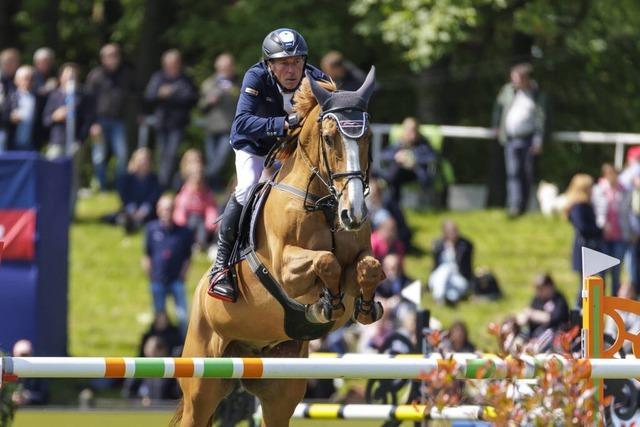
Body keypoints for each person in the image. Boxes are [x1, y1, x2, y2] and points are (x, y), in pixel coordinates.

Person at [207, 28, 328, 302]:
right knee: (247, 188)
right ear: (270, 64)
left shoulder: (317, 78)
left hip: (294, 148)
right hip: (255, 146)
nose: (292, 69)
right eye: (284, 63)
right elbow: (241, 123)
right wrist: (282, 124)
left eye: (297, 61)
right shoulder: (256, 77)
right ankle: (221, 267)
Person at [492, 63, 548, 217]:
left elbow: (541, 119)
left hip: (528, 140)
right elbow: (498, 108)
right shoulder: (508, 91)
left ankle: (523, 206)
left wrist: (539, 140)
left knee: (526, 174)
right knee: (512, 173)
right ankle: (514, 206)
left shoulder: (536, 94)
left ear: (525, 78)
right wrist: (496, 126)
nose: (513, 81)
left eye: (516, 78)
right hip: (510, 139)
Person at [144, 49, 197, 188]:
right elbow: (149, 96)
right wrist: (160, 93)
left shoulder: (185, 79)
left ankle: (164, 183)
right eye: (169, 63)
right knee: (162, 154)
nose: (171, 66)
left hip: (178, 123)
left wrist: (171, 93)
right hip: (162, 123)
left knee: (172, 154)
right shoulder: (158, 77)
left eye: (174, 63)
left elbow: (191, 97)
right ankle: (164, 184)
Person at [85, 43, 134, 191]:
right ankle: (102, 186)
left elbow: (133, 98)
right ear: (102, 58)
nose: (112, 59)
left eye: (115, 55)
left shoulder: (127, 75)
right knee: (98, 157)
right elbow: (88, 102)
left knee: (122, 155)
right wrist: (92, 123)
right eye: (108, 56)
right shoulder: (95, 76)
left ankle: (121, 186)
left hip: (119, 122)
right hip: (99, 122)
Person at [142, 194, 193, 336]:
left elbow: (188, 257)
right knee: (159, 316)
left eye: (170, 209)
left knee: (183, 316)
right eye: (164, 209)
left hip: (177, 280)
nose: (167, 212)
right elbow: (147, 254)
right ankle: (161, 344)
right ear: (158, 210)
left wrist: (183, 275)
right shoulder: (151, 229)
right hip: (158, 280)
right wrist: (150, 275)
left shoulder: (184, 231)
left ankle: (184, 344)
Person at [199, 53, 239, 189]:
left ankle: (201, 181)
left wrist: (231, 91)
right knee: (212, 161)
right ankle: (211, 189)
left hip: (228, 128)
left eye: (227, 67)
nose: (225, 70)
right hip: (211, 128)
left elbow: (243, 100)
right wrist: (209, 101)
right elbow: (201, 106)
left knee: (219, 161)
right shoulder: (209, 83)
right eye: (222, 68)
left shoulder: (238, 84)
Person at [592, 163, 631, 296]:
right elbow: (597, 211)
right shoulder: (599, 189)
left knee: (616, 271)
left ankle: (614, 302)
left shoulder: (624, 190)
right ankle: (600, 301)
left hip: (619, 236)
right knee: (601, 271)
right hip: (603, 236)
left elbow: (626, 212)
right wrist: (603, 225)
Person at [379, 117, 438, 204]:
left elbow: (432, 157)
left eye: (414, 131)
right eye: (409, 131)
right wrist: (396, 156)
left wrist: (413, 160)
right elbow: (383, 155)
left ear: (418, 132)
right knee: (396, 171)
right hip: (400, 173)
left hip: (417, 173)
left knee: (392, 175)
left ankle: (391, 198)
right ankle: (394, 204)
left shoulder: (423, 144)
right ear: (404, 131)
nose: (412, 134)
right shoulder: (398, 143)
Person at [564, 173, 602, 306]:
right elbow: (583, 227)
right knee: (584, 287)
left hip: (587, 247)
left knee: (586, 286)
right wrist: (600, 230)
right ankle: (577, 317)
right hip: (584, 249)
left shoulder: (584, 205)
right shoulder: (579, 206)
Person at [42, 63, 96, 155]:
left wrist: (80, 138)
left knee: (74, 169)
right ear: (61, 77)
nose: (70, 78)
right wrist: (55, 116)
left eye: (73, 76)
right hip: (57, 142)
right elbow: (45, 120)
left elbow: (88, 119)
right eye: (67, 75)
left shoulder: (83, 96)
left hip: (75, 143)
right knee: (53, 167)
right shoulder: (54, 95)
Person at [173, 159, 219, 251]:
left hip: (202, 220)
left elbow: (210, 208)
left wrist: (211, 221)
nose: (197, 179)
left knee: (202, 226)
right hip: (188, 220)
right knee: (192, 222)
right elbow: (181, 208)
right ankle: (190, 243)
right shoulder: (185, 192)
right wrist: (181, 221)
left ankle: (201, 244)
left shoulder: (206, 192)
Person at [116, 147, 161, 233]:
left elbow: (154, 196)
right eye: (140, 160)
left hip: (147, 212)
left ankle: (137, 223)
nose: (143, 162)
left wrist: (143, 210)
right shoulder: (126, 178)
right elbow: (124, 195)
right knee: (123, 217)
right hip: (130, 209)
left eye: (145, 160)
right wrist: (132, 209)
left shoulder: (154, 179)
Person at [429, 220, 474, 305]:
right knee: (444, 269)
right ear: (445, 232)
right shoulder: (438, 244)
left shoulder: (464, 245)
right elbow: (435, 265)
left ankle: (441, 297)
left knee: (448, 268)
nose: (454, 233)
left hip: (458, 278)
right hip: (438, 278)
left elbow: (463, 264)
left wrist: (453, 247)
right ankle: (448, 297)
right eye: (451, 231)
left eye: (455, 230)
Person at [517, 273, 569, 339]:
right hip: (534, 333)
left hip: (554, 334)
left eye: (541, 289)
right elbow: (528, 312)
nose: (538, 292)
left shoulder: (559, 299)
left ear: (549, 286)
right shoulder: (537, 299)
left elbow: (554, 318)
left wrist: (533, 314)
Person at [31, 48, 57, 150]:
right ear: (36, 63)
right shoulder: (31, 76)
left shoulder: (55, 76)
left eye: (47, 62)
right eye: (42, 62)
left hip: (50, 122)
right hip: (35, 122)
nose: (45, 64)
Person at [8, 65, 37, 150]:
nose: (29, 81)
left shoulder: (38, 98)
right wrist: (10, 117)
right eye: (26, 78)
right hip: (12, 142)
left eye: (31, 79)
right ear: (17, 80)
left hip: (32, 143)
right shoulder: (10, 97)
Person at [11, 339, 49, 405]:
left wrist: (29, 397)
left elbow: (45, 396)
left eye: (26, 355)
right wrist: (11, 397)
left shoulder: (39, 374)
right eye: (22, 355)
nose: (24, 358)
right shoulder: (8, 373)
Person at [0, 48, 21, 153]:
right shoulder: (2, 80)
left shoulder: (11, 81)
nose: (17, 65)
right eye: (15, 62)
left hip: (8, 128)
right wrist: (8, 116)